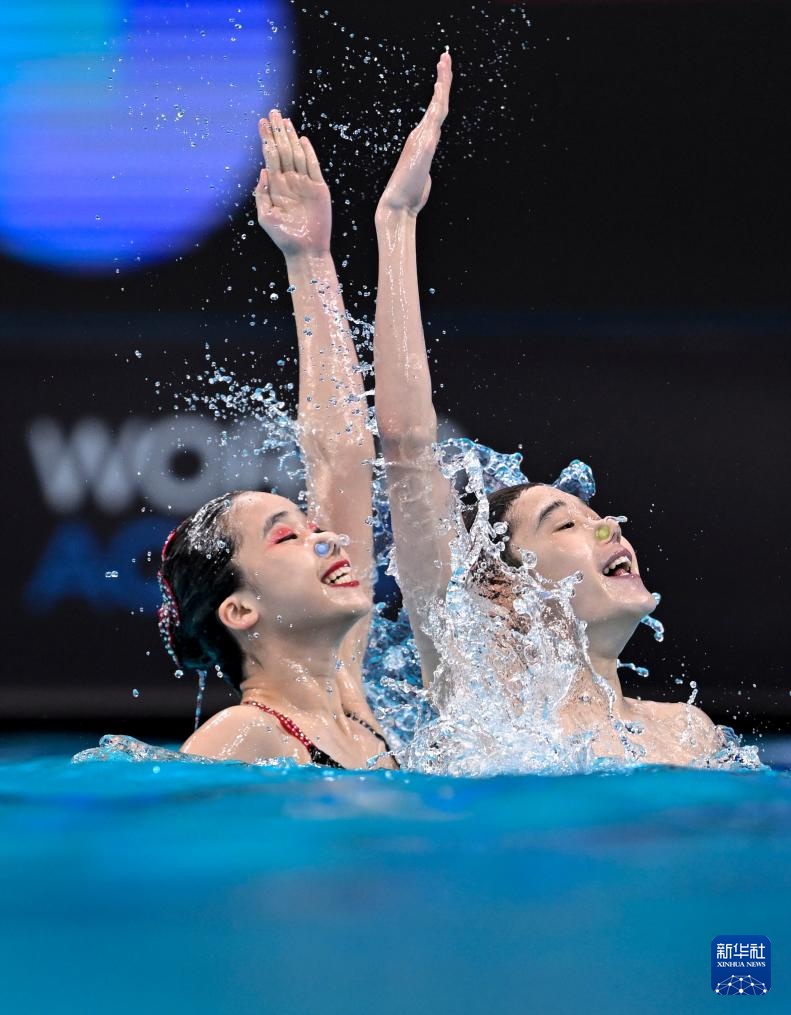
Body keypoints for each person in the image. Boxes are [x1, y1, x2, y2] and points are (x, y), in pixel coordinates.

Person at [373, 52, 723, 766]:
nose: (609, 527)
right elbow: (408, 447)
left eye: (596, 516)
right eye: (565, 521)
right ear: (503, 588)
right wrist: (397, 219)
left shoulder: (689, 734)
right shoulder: (481, 696)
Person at [158, 113, 395, 769]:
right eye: (288, 536)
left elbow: (342, 454)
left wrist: (309, 256)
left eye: (305, 525)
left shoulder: (349, 702)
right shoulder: (241, 736)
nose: (327, 535)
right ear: (239, 608)